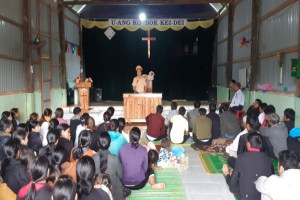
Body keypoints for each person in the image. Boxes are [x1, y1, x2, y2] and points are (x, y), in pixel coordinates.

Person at [223, 132, 273, 200]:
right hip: (262, 196)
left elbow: (232, 188)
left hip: (246, 197)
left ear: (248, 144)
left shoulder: (241, 157)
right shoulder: (267, 159)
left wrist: (227, 174)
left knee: (234, 180)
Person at [92, 131, 124, 200]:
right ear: (109, 144)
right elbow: (121, 176)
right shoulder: (115, 158)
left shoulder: (93, 158)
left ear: (98, 144)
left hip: (99, 192)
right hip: (115, 192)